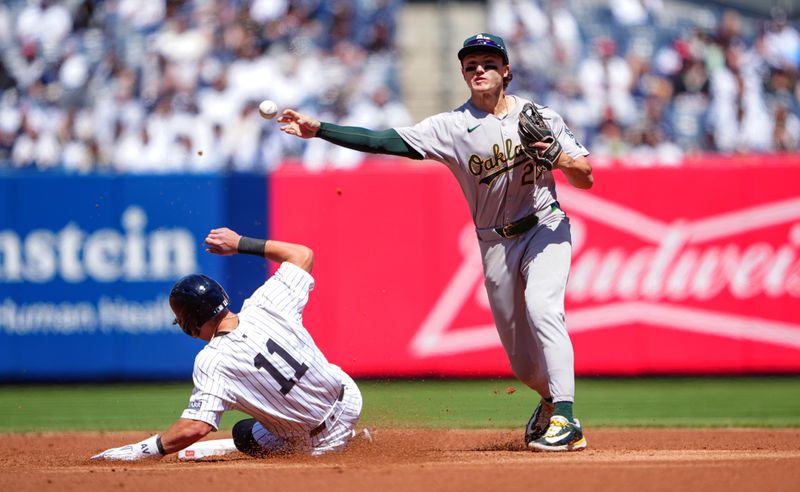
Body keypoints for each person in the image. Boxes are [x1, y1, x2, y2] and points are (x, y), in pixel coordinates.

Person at [278, 33, 593, 452]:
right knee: (521, 363)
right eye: (471, 64)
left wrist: (558, 155)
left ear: (507, 71)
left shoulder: (540, 117)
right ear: (464, 74)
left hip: (545, 226)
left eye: (489, 62)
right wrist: (320, 130)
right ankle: (551, 400)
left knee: (543, 306)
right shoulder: (450, 127)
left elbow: (585, 177)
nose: (480, 69)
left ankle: (567, 421)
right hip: (495, 243)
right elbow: (381, 141)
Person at [90, 228, 364, 461]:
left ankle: (345, 444)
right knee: (264, 421)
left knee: (243, 434)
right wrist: (239, 243)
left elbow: (195, 427)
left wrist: (140, 450)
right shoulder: (266, 303)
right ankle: (353, 436)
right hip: (349, 399)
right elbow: (303, 255)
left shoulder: (213, 361)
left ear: (189, 323)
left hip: (318, 444)